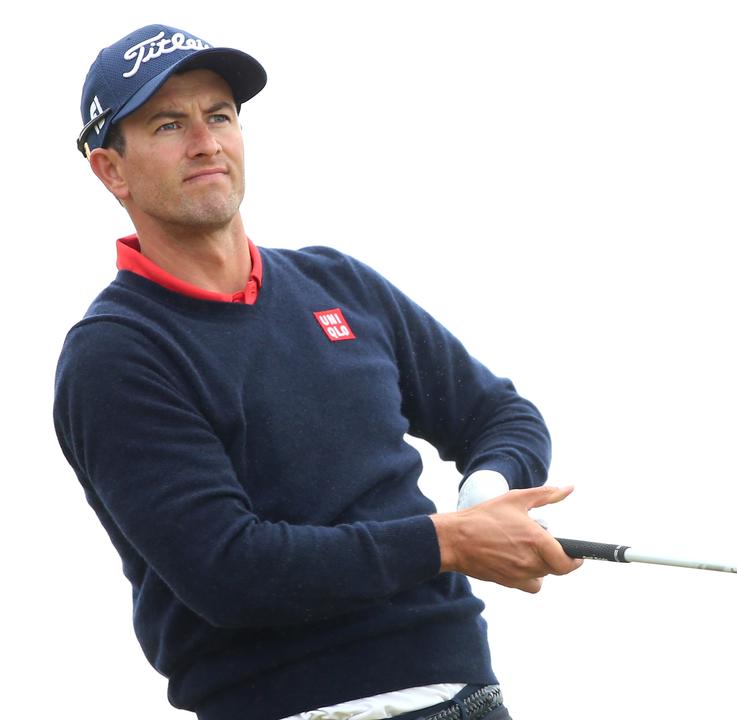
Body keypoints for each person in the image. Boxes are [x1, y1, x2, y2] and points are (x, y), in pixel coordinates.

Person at [54, 24, 581, 720]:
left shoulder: (336, 284)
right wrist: (449, 541)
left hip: (466, 696)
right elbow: (232, 571)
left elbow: (497, 415)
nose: (206, 141)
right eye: (167, 124)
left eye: (219, 116)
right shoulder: (118, 353)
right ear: (111, 170)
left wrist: (481, 500)